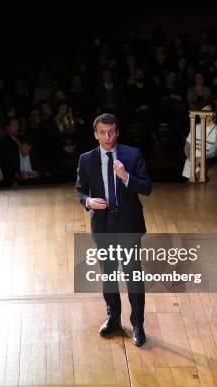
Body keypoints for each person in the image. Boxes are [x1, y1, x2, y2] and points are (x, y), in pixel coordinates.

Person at [75, 113, 152, 347]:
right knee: (108, 276)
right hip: (103, 226)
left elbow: (147, 188)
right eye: (103, 133)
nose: (107, 137)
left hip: (128, 225)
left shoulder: (132, 154)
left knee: (133, 277)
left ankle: (137, 324)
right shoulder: (86, 159)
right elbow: (80, 191)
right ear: (95, 134)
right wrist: (88, 202)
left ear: (117, 132)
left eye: (111, 132)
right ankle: (114, 320)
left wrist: (126, 176)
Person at [182, 106, 217, 179]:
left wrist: (203, 159)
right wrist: (192, 159)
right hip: (190, 166)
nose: (203, 114)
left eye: (207, 111)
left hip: (207, 168)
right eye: (202, 111)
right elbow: (187, 148)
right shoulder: (195, 127)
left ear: (213, 114)